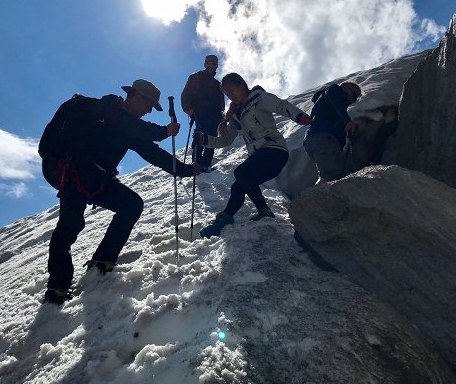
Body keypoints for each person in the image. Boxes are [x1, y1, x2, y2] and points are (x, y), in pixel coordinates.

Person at [43, 79, 201, 304]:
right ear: (134, 95)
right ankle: (57, 288)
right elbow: (131, 126)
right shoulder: (108, 107)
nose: (149, 111)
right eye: (149, 105)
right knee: (69, 227)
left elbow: (154, 154)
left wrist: (186, 170)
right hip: (73, 173)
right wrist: (164, 131)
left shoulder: (132, 127)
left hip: (96, 179)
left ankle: (101, 263)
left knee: (131, 204)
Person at [193, 73, 312, 238]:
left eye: (232, 91)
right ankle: (226, 217)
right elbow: (226, 140)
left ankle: (264, 209)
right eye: (227, 94)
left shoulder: (259, 98)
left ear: (242, 85)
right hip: (259, 157)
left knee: (241, 173)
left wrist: (300, 116)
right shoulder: (236, 115)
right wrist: (204, 139)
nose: (230, 96)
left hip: (274, 150)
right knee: (239, 185)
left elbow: (280, 105)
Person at [303, 81, 362, 184]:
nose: (354, 101)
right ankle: (313, 199)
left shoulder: (330, 107)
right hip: (323, 137)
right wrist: (347, 120)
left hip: (320, 139)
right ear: (347, 90)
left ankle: (319, 198)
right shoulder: (335, 90)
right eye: (355, 96)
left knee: (337, 175)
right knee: (329, 175)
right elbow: (334, 101)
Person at [181, 54, 224, 170]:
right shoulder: (196, 77)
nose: (211, 65)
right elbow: (185, 94)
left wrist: (222, 116)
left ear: (216, 66)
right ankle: (197, 163)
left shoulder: (217, 84)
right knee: (201, 134)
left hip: (214, 115)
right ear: (205, 64)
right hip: (200, 110)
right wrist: (188, 109)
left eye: (213, 64)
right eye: (209, 63)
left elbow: (221, 102)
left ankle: (206, 164)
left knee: (212, 136)